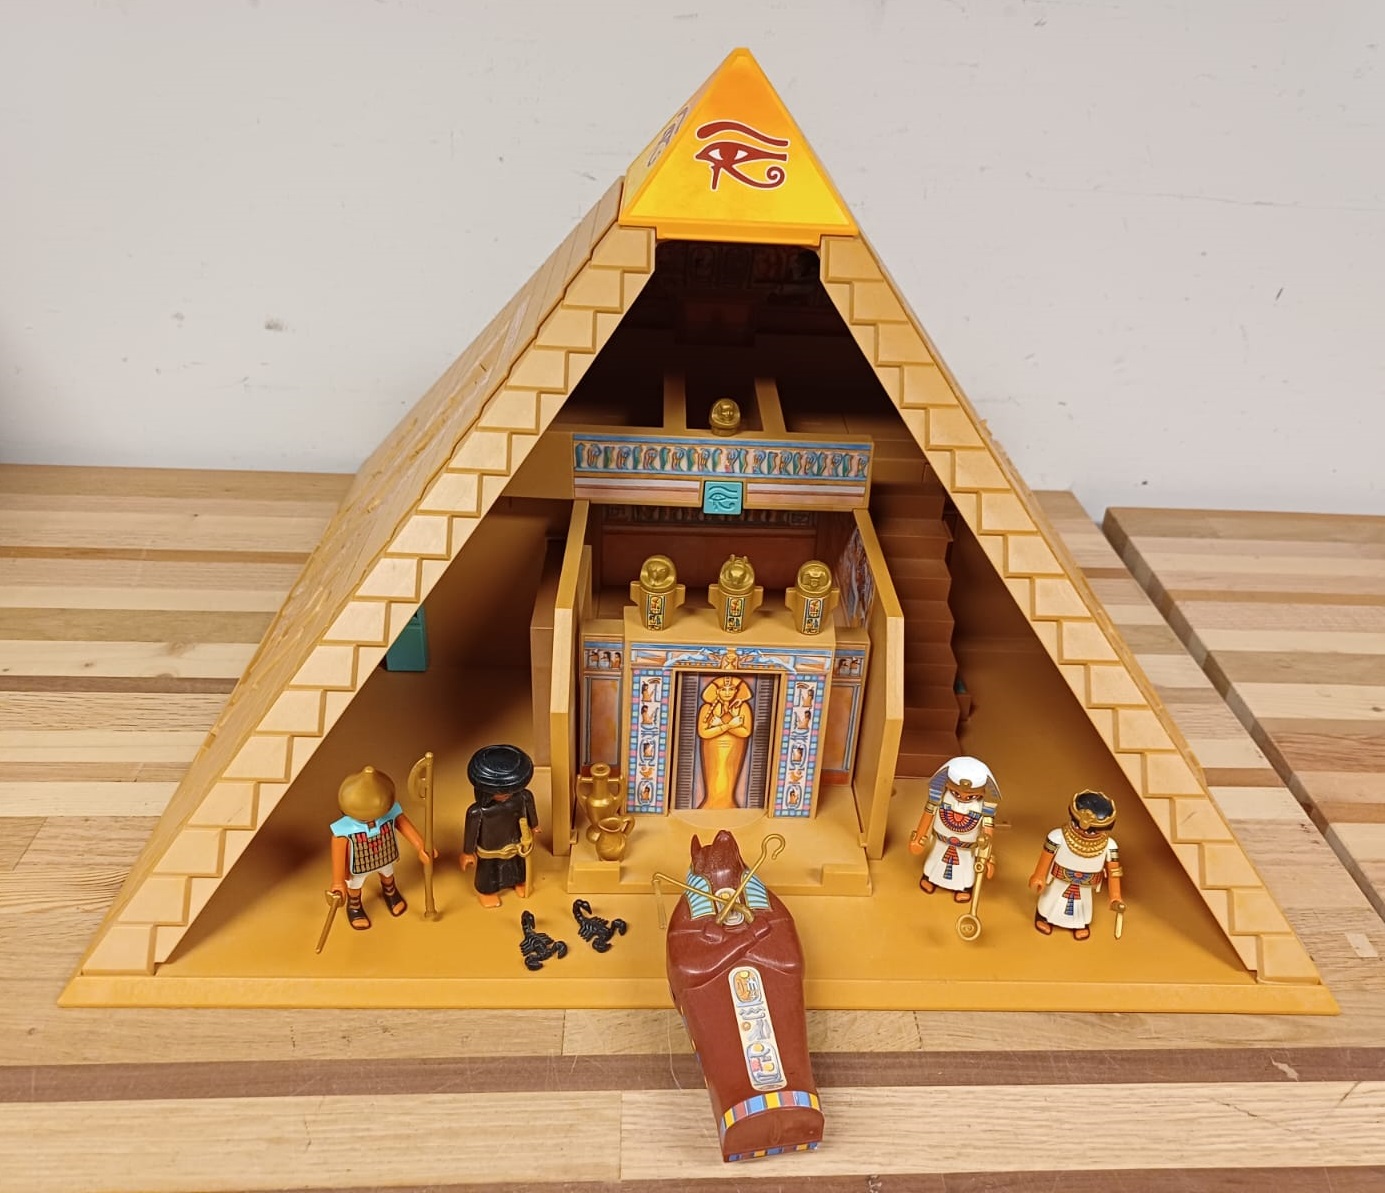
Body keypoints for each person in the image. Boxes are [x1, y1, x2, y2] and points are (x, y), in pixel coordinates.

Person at [330, 766, 432, 930]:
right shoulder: (343, 830)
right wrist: (338, 882)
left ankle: (390, 893)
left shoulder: (389, 813)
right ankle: (354, 906)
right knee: (355, 886)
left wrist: (421, 846)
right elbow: (338, 855)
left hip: (384, 854)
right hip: (358, 865)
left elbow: (405, 826)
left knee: (388, 875)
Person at [1029, 790, 1122, 940]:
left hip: (1085, 884)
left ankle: (1079, 924)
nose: (1084, 832)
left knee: (1083, 906)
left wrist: (1115, 896)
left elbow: (1114, 872)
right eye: (1078, 826)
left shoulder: (1110, 846)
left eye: (1093, 832)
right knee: (1051, 898)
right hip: (1060, 878)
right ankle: (1044, 917)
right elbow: (1046, 857)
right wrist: (1039, 876)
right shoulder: (1057, 837)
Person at [908, 756, 1001, 904]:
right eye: (956, 793)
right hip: (941, 841)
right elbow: (928, 813)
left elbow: (987, 832)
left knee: (966, 868)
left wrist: (988, 857)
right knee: (935, 859)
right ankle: (929, 877)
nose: (962, 798)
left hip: (966, 848)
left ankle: (963, 888)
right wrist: (918, 837)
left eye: (970, 796)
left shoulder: (982, 807)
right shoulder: (941, 798)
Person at [461, 744, 540, 909]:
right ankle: (487, 892)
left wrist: (534, 826)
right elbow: (471, 832)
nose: (505, 795)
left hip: (516, 842)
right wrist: (468, 852)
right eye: (499, 791)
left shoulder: (522, 798)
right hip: (491, 848)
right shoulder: (478, 812)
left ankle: (519, 881)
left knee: (517, 866)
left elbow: (530, 811)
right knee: (489, 871)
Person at [697, 675, 753, 809]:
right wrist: (729, 725)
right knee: (716, 776)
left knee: (728, 776)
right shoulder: (707, 708)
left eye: (731, 689)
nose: (727, 693)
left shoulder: (742, 707)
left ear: (736, 691)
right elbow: (703, 732)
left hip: (735, 747)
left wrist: (721, 725)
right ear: (717, 691)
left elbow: (746, 732)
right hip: (712, 747)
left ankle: (729, 803)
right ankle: (711, 804)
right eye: (723, 689)